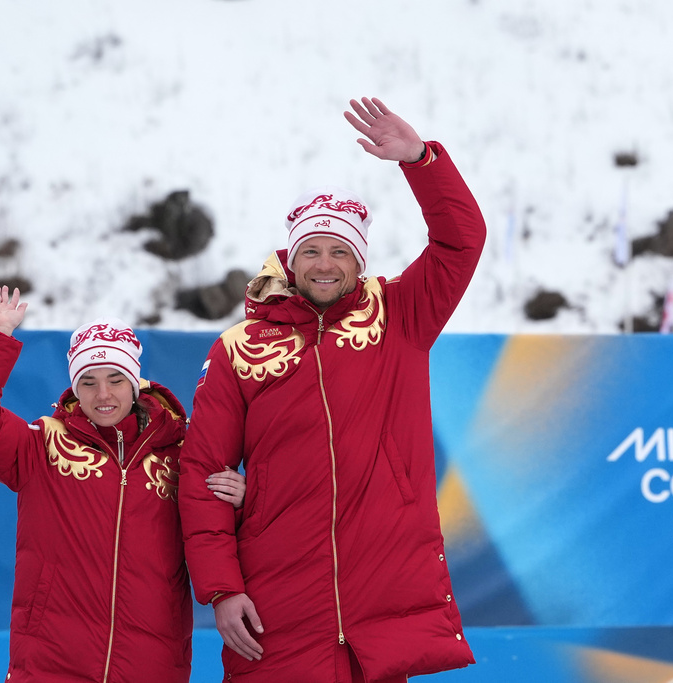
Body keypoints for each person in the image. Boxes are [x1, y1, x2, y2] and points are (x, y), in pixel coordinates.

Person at [178, 97, 486, 682]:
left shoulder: (401, 314)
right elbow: (201, 474)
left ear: (359, 261)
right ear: (290, 263)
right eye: (312, 250)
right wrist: (221, 590)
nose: (325, 263)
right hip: (277, 602)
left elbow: (460, 241)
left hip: (383, 594)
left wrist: (421, 161)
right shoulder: (240, 348)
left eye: (340, 250)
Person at [0, 286, 245, 683]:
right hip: (52, 660)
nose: (103, 394)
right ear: (74, 386)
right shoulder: (43, 445)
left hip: (152, 661)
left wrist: (243, 498)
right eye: (88, 381)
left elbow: (216, 527)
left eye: (115, 380)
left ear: (136, 382)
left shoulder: (181, 452)